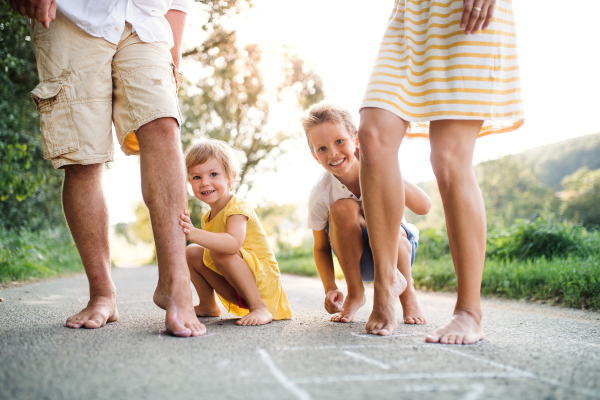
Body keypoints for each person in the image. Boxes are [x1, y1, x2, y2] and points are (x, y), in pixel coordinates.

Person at [11, 0, 205, 337]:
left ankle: (176, 283)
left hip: (147, 19)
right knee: (83, 156)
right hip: (71, 17)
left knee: (163, 124)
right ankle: (102, 293)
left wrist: (174, 51)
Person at [358, 0, 525, 343]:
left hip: (468, 12)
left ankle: (468, 312)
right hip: (413, 13)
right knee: (373, 136)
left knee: (448, 159)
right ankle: (387, 280)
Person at [302, 103, 431, 324]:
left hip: (396, 254)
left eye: (339, 141)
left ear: (356, 140)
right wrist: (330, 287)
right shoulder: (322, 192)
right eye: (322, 149)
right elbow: (321, 246)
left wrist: (380, 166)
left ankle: (407, 293)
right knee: (343, 208)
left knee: (387, 228)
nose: (332, 153)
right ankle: (355, 293)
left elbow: (423, 206)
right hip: (357, 260)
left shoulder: (378, 167)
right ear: (315, 156)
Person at [180, 140, 292, 326]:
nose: (205, 182)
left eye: (213, 174)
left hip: (263, 286)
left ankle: (259, 308)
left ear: (230, 177)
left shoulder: (237, 208)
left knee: (221, 249)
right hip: (236, 286)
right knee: (191, 252)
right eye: (196, 177)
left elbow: (232, 244)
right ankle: (208, 305)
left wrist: (193, 233)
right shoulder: (209, 216)